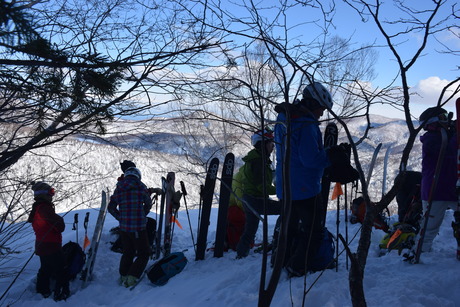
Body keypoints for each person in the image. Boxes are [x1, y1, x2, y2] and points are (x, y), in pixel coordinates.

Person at [274, 81, 334, 276]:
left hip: (285, 186)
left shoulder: (284, 118)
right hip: (305, 188)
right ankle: (298, 266)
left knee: (288, 227)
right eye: (321, 108)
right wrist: (330, 156)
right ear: (312, 104)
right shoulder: (306, 124)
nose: (322, 113)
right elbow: (310, 160)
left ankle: (281, 260)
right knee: (313, 231)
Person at [415, 107, 458, 255]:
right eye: (443, 117)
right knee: (430, 227)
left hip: (452, 189)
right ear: (434, 122)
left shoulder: (445, 135)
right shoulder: (431, 139)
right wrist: (456, 133)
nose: (447, 120)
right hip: (436, 190)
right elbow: (449, 150)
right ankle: (420, 253)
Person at [236, 129, 281, 258]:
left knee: (250, 228)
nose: (273, 146)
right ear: (262, 144)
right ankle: (278, 240)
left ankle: (241, 253)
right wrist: (281, 191)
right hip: (255, 199)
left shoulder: (259, 159)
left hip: (249, 199)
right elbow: (262, 186)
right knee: (286, 209)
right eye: (270, 143)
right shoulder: (258, 162)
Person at [108, 167, 152, 287]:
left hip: (124, 228)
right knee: (144, 253)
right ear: (138, 175)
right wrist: (142, 214)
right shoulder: (141, 186)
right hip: (138, 227)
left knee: (128, 252)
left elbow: (110, 208)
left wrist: (121, 218)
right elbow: (148, 203)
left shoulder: (119, 188)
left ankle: (123, 275)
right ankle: (132, 277)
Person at [28, 181, 69, 301]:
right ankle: (61, 293)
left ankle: (42, 291)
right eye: (51, 192)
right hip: (51, 245)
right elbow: (59, 226)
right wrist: (59, 219)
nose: (52, 195)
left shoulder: (37, 208)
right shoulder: (45, 209)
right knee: (61, 269)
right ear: (43, 194)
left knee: (46, 268)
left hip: (42, 245)